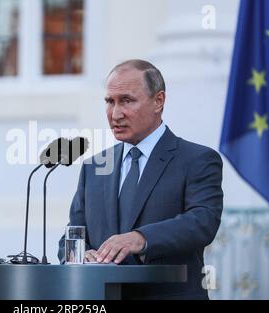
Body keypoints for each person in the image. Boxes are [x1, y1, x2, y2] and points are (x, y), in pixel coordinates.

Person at [58, 59, 223, 299]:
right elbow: (71, 236)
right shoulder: (94, 166)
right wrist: (81, 254)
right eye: (109, 102)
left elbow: (202, 222)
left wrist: (141, 238)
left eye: (126, 100)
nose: (115, 113)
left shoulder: (197, 159)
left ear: (159, 101)